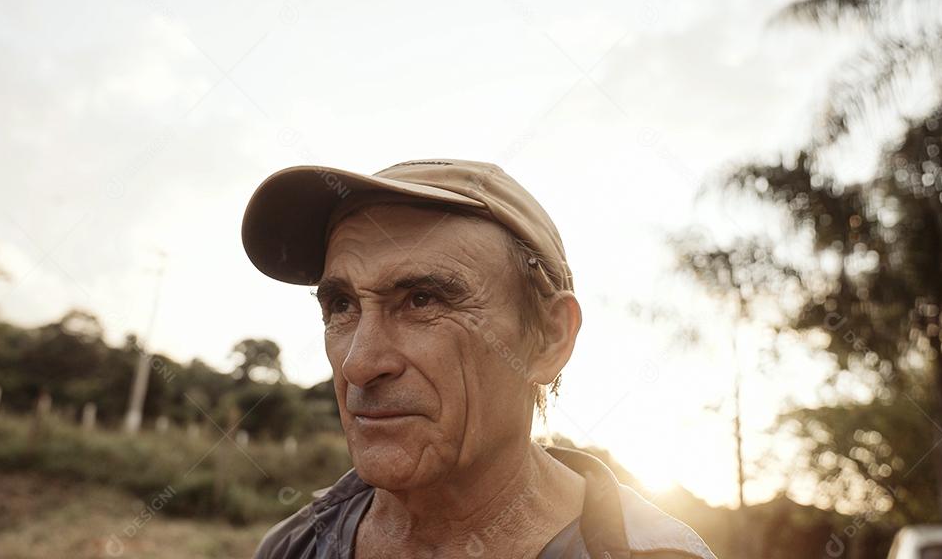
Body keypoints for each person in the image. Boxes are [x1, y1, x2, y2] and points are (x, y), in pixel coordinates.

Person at [241, 159, 717, 559]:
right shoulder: (293, 545)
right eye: (341, 306)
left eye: (422, 300)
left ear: (550, 339)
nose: (359, 365)